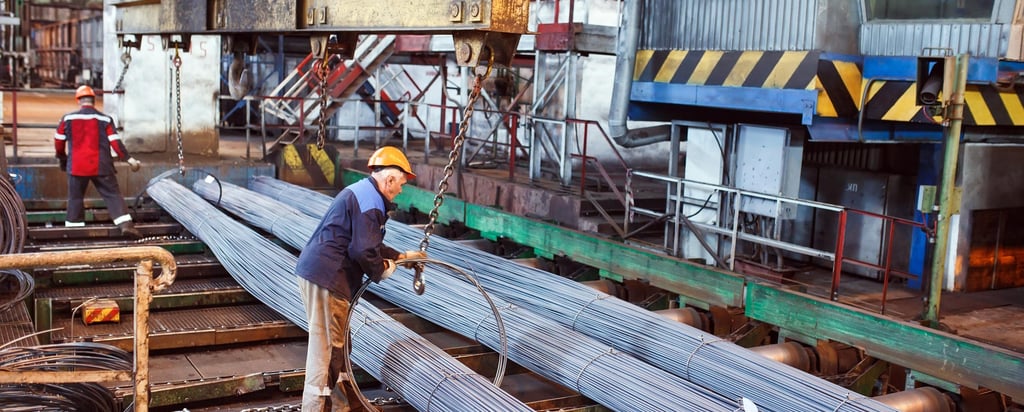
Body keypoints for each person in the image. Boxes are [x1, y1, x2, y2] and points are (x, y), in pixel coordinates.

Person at [295, 146, 426, 412]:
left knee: (339, 348)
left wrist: (401, 257)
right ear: (390, 179)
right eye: (401, 184)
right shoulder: (372, 202)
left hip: (322, 274)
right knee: (326, 352)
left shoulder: (364, 193)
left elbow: (367, 243)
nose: (401, 191)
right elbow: (363, 251)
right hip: (329, 278)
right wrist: (383, 269)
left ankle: (344, 406)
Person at [55, 85, 143, 238]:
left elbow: (59, 142)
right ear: (94, 101)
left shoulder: (68, 119)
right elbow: (115, 142)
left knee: (75, 198)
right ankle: (125, 225)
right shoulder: (105, 119)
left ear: (78, 101)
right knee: (113, 195)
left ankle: (74, 231)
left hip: (77, 166)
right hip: (102, 166)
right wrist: (128, 159)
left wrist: (62, 159)